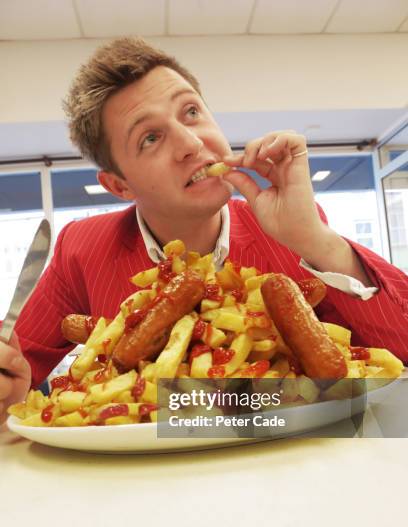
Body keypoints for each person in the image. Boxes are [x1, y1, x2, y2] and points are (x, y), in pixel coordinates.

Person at [1, 36, 408, 423]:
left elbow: (400, 348)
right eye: (150, 138)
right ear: (119, 185)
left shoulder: (290, 228)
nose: (191, 144)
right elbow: (16, 371)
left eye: (191, 112)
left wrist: (315, 241)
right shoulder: (81, 248)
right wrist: (11, 393)